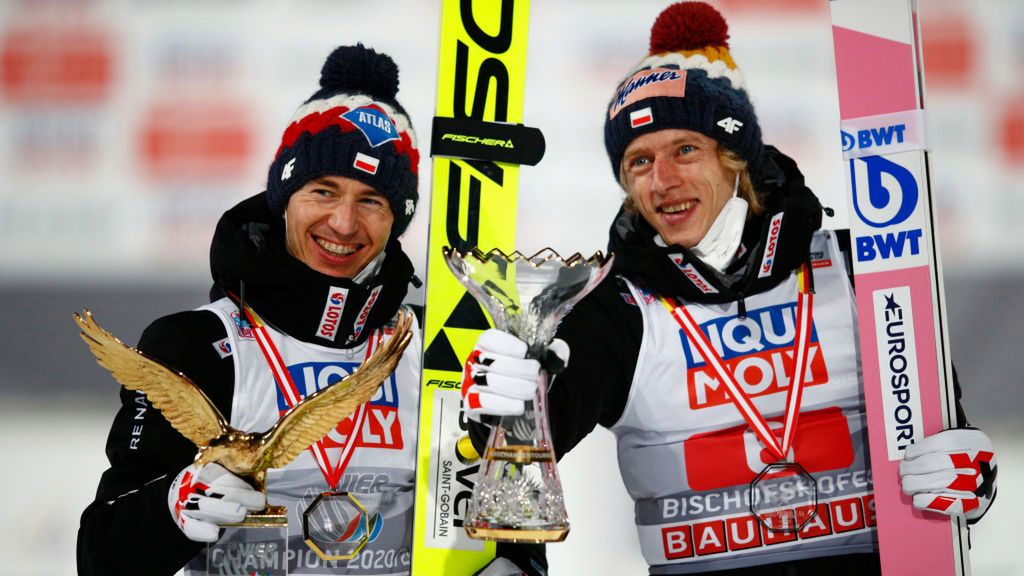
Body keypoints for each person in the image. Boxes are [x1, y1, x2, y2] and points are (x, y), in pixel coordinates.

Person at [461, 3, 999, 575]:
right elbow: (538, 429)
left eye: (685, 150)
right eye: (639, 161)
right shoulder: (618, 307)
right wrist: (503, 407)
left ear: (735, 158)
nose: (662, 181)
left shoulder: (858, 267)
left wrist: (970, 478)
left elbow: (943, 433)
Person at [77, 44, 424, 576]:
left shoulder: (428, 344)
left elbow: (490, 525)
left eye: (371, 201)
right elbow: (102, 556)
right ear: (284, 195)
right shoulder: (195, 345)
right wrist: (172, 509)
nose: (344, 223)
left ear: (396, 219)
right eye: (323, 191)